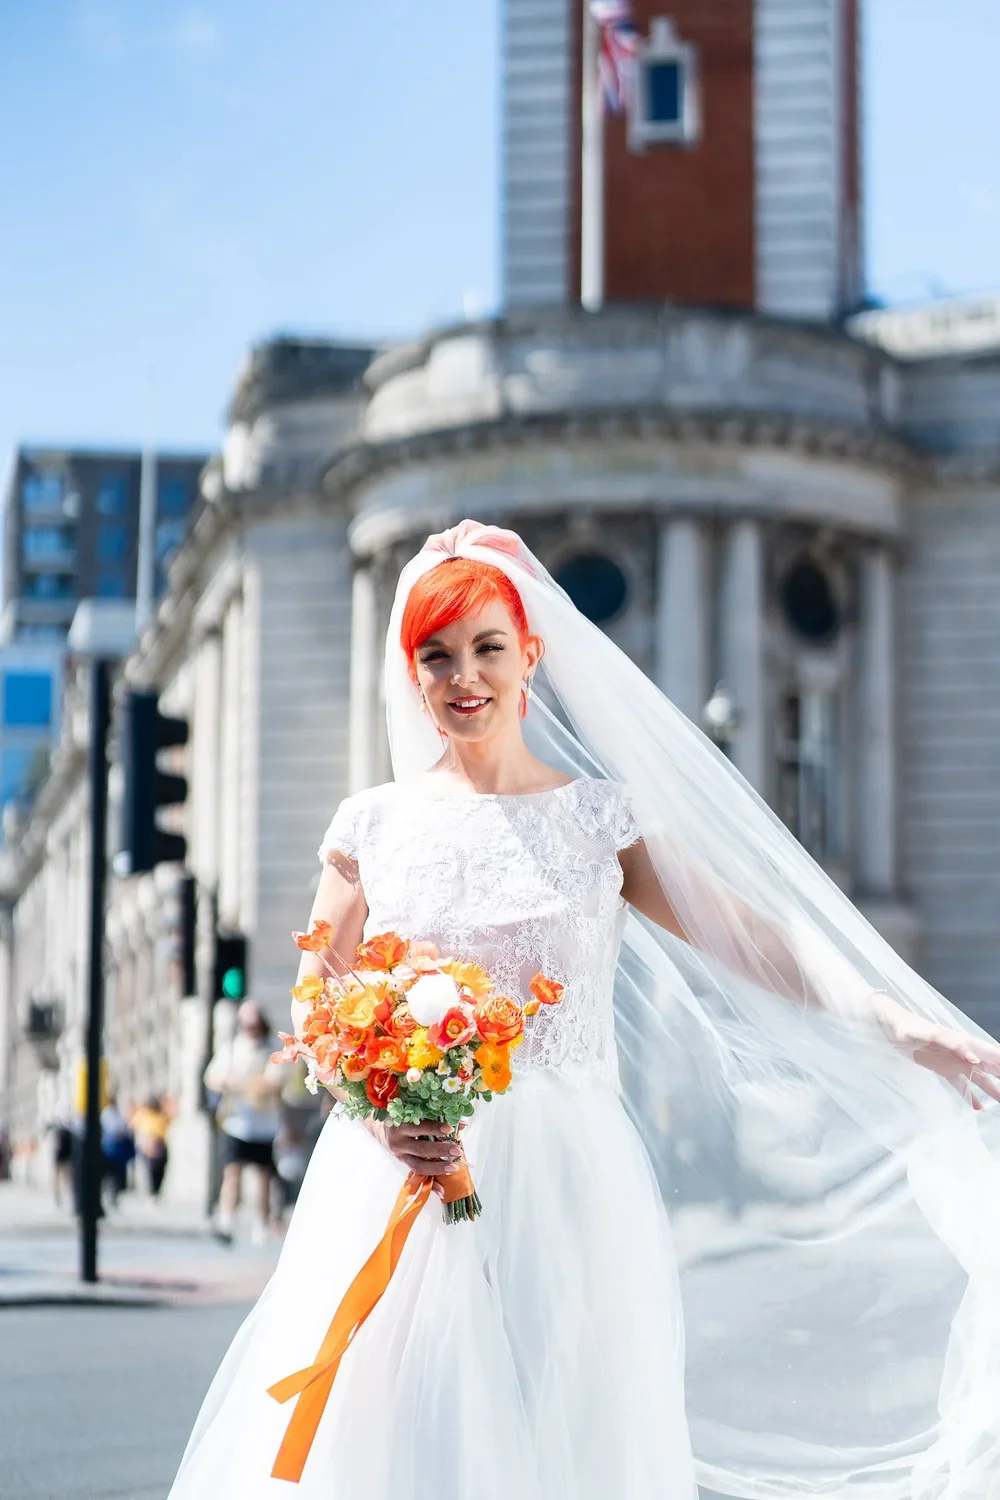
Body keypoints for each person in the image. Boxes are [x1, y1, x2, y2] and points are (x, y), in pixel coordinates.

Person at [168, 521, 1000, 1500]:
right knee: (396, 1431)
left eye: (485, 647)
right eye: (436, 656)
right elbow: (320, 995)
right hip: (399, 1169)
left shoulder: (598, 820)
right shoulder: (373, 824)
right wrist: (382, 1101)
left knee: (560, 1428)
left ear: (530, 655)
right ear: (414, 672)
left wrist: (891, 1019)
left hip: (567, 1180)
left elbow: (746, 938)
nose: (462, 677)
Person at [204, 1000, 283, 1244]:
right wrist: (230, 1083)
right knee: (232, 1171)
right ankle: (227, 1218)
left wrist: (244, 1085)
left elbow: (273, 1080)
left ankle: (262, 1221)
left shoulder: (271, 1048)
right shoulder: (231, 1048)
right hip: (237, 1120)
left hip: (264, 1122)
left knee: (263, 1175)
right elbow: (213, 1077)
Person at [131, 1096, 171, 1197]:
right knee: (149, 1171)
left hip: (159, 1146)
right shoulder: (142, 1115)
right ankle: (151, 1192)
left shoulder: (161, 1116)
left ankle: (156, 1191)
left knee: (159, 1171)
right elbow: (134, 1128)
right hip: (147, 1148)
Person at [100, 1095, 134, 1208]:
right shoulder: (106, 1114)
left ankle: (113, 1196)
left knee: (116, 1175)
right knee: (108, 1175)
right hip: (108, 1149)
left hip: (116, 1151)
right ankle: (108, 1195)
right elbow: (115, 1129)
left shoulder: (117, 1113)